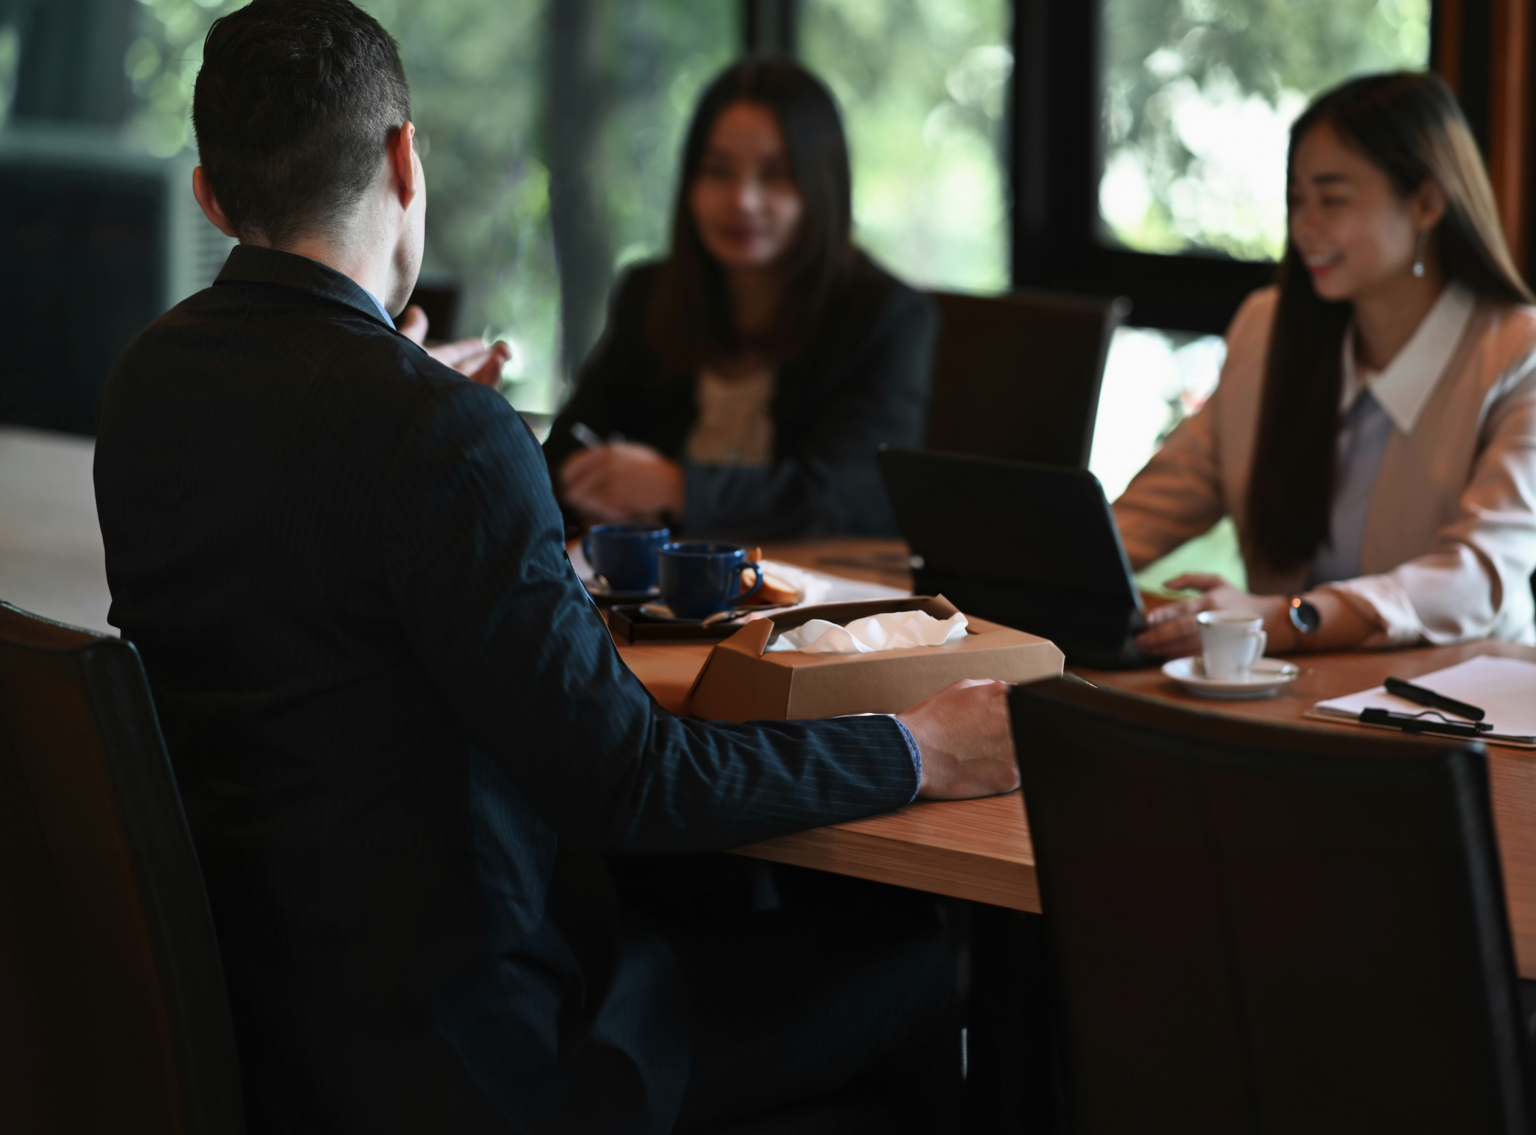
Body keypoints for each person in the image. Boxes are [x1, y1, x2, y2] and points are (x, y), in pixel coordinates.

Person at [91, 3, 1018, 1133]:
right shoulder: (439, 434)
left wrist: (415, 394)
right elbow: (626, 780)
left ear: (211, 196)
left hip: (253, 1028)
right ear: (404, 158)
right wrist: (913, 748)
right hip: (472, 1065)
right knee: (908, 959)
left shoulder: (147, 382)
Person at [1115, 72, 1536, 659]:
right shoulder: (1269, 327)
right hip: (1289, 700)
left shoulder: (1520, 353)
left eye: (1333, 200)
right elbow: (1159, 503)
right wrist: (1047, 568)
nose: (1303, 229)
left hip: (1465, 710)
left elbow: (1476, 577)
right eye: (1296, 200)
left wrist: (1286, 618)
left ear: (1426, 203)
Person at [543, 59, 935, 543]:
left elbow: (852, 498)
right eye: (718, 170)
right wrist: (594, 485)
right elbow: (566, 447)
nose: (742, 200)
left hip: (823, 605)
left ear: (822, 186)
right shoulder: (650, 292)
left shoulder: (886, 317)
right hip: (653, 594)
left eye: (775, 174)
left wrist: (676, 487)